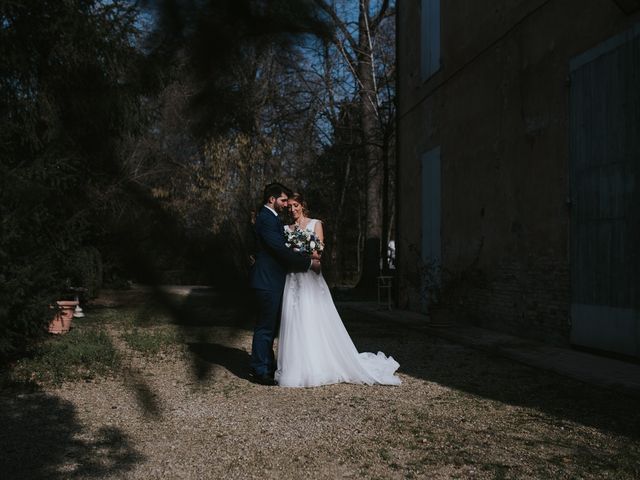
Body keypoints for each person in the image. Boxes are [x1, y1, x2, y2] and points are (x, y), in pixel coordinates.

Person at [275, 192, 401, 387]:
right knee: (294, 319)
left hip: (310, 277)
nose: (292, 209)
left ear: (302, 205)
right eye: (289, 206)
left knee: (312, 316)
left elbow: (318, 253)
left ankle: (318, 364)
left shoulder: (315, 224)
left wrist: (302, 253)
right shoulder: (285, 229)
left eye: (296, 205)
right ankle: (296, 366)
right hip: (293, 278)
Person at [249, 183, 321, 386]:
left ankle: (267, 365)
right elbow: (279, 250)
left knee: (270, 327)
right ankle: (260, 370)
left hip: (272, 279)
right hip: (266, 280)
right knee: (265, 327)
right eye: (282, 200)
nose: (285, 204)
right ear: (272, 199)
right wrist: (308, 263)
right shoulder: (266, 219)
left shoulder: (271, 218)